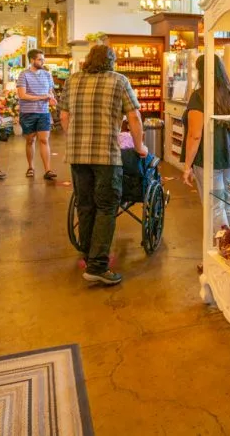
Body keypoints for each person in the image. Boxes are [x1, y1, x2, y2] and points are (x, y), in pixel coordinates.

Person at [60, 45, 147, 286]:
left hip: (77, 156)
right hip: (106, 156)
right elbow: (134, 117)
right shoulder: (119, 81)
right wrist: (140, 147)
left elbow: (64, 116)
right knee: (107, 206)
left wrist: (74, 138)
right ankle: (98, 266)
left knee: (85, 204)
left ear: (88, 60)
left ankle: (88, 253)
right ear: (112, 62)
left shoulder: (73, 80)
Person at [181, 54, 230, 229]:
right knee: (229, 203)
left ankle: (222, 248)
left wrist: (187, 166)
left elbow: (195, 135)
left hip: (210, 157)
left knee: (215, 206)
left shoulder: (199, 97)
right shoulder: (229, 92)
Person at [17, 49, 57, 180]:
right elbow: (22, 95)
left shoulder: (47, 75)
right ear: (32, 60)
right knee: (30, 140)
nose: (42, 61)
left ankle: (48, 170)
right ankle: (30, 167)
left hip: (43, 112)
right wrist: (42, 97)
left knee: (44, 140)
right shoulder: (24, 75)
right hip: (28, 113)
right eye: (40, 59)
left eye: (43, 59)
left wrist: (51, 98)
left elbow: (50, 92)